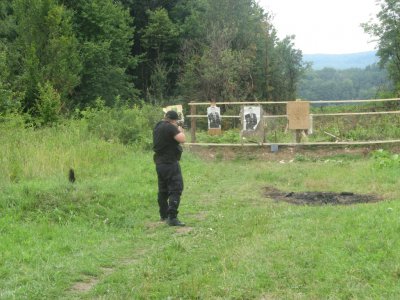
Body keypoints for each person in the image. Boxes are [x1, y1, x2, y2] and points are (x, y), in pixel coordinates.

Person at [153, 110, 186, 226]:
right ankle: (172, 217)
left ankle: (164, 215)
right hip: (170, 163)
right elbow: (182, 139)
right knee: (176, 188)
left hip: (159, 163)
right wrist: (179, 129)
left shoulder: (158, 125)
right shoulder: (170, 127)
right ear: (174, 120)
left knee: (163, 190)